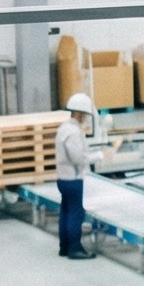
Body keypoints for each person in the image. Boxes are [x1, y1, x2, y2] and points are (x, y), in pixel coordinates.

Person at [57, 92, 98, 259]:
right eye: (85, 115)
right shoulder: (73, 132)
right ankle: (75, 248)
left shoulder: (63, 128)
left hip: (62, 178)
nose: (86, 118)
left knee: (66, 211)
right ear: (79, 113)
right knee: (76, 213)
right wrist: (99, 156)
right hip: (73, 179)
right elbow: (78, 158)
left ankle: (64, 247)